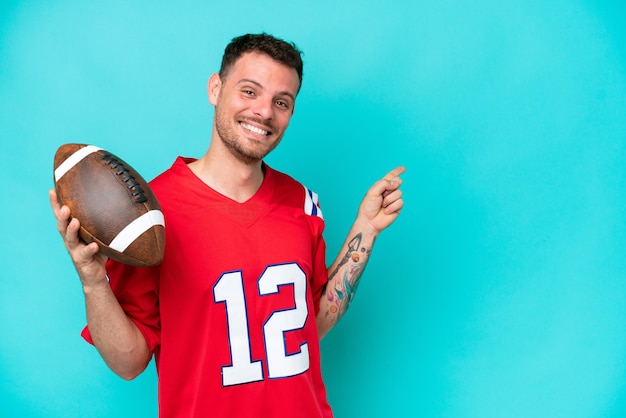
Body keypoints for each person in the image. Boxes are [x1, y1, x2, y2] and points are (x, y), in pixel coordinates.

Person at [50, 33, 405, 417]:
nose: (265, 112)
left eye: (281, 102)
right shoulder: (150, 218)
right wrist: (91, 280)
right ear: (215, 88)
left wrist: (365, 231)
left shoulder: (303, 203)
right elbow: (128, 362)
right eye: (250, 91)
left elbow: (309, 326)